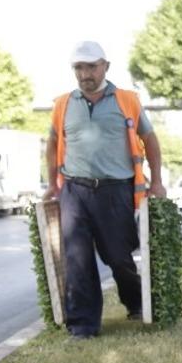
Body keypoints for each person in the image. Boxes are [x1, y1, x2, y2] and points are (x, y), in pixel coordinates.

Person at [43, 41, 166, 340]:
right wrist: (52, 184)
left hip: (115, 191)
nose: (85, 74)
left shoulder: (127, 100)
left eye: (91, 67)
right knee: (77, 257)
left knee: (118, 257)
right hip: (74, 189)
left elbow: (149, 139)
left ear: (105, 67)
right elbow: (53, 143)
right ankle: (83, 325)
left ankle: (134, 301)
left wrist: (157, 181)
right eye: (79, 68)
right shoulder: (63, 104)